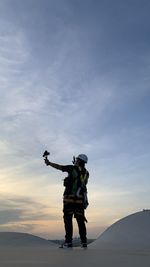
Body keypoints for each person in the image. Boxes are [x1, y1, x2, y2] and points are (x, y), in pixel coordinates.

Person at [44, 153, 89, 248]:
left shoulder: (72, 168)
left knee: (68, 220)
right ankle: (84, 242)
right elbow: (81, 182)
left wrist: (49, 163)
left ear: (79, 161)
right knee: (80, 221)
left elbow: (59, 167)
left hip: (69, 200)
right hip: (80, 201)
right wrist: (76, 166)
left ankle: (68, 242)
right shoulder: (86, 173)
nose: (75, 160)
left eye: (77, 160)